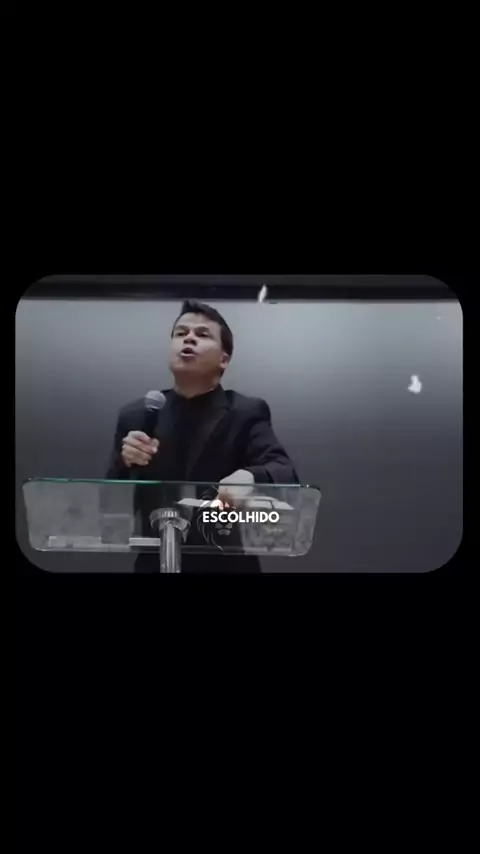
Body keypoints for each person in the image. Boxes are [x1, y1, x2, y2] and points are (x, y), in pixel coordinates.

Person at [106, 299, 299, 573]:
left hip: (226, 564)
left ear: (224, 359)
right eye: (181, 333)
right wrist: (125, 463)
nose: (189, 339)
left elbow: (284, 471)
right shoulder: (137, 415)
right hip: (155, 563)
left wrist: (250, 477)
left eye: (202, 334)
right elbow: (108, 504)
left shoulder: (245, 412)